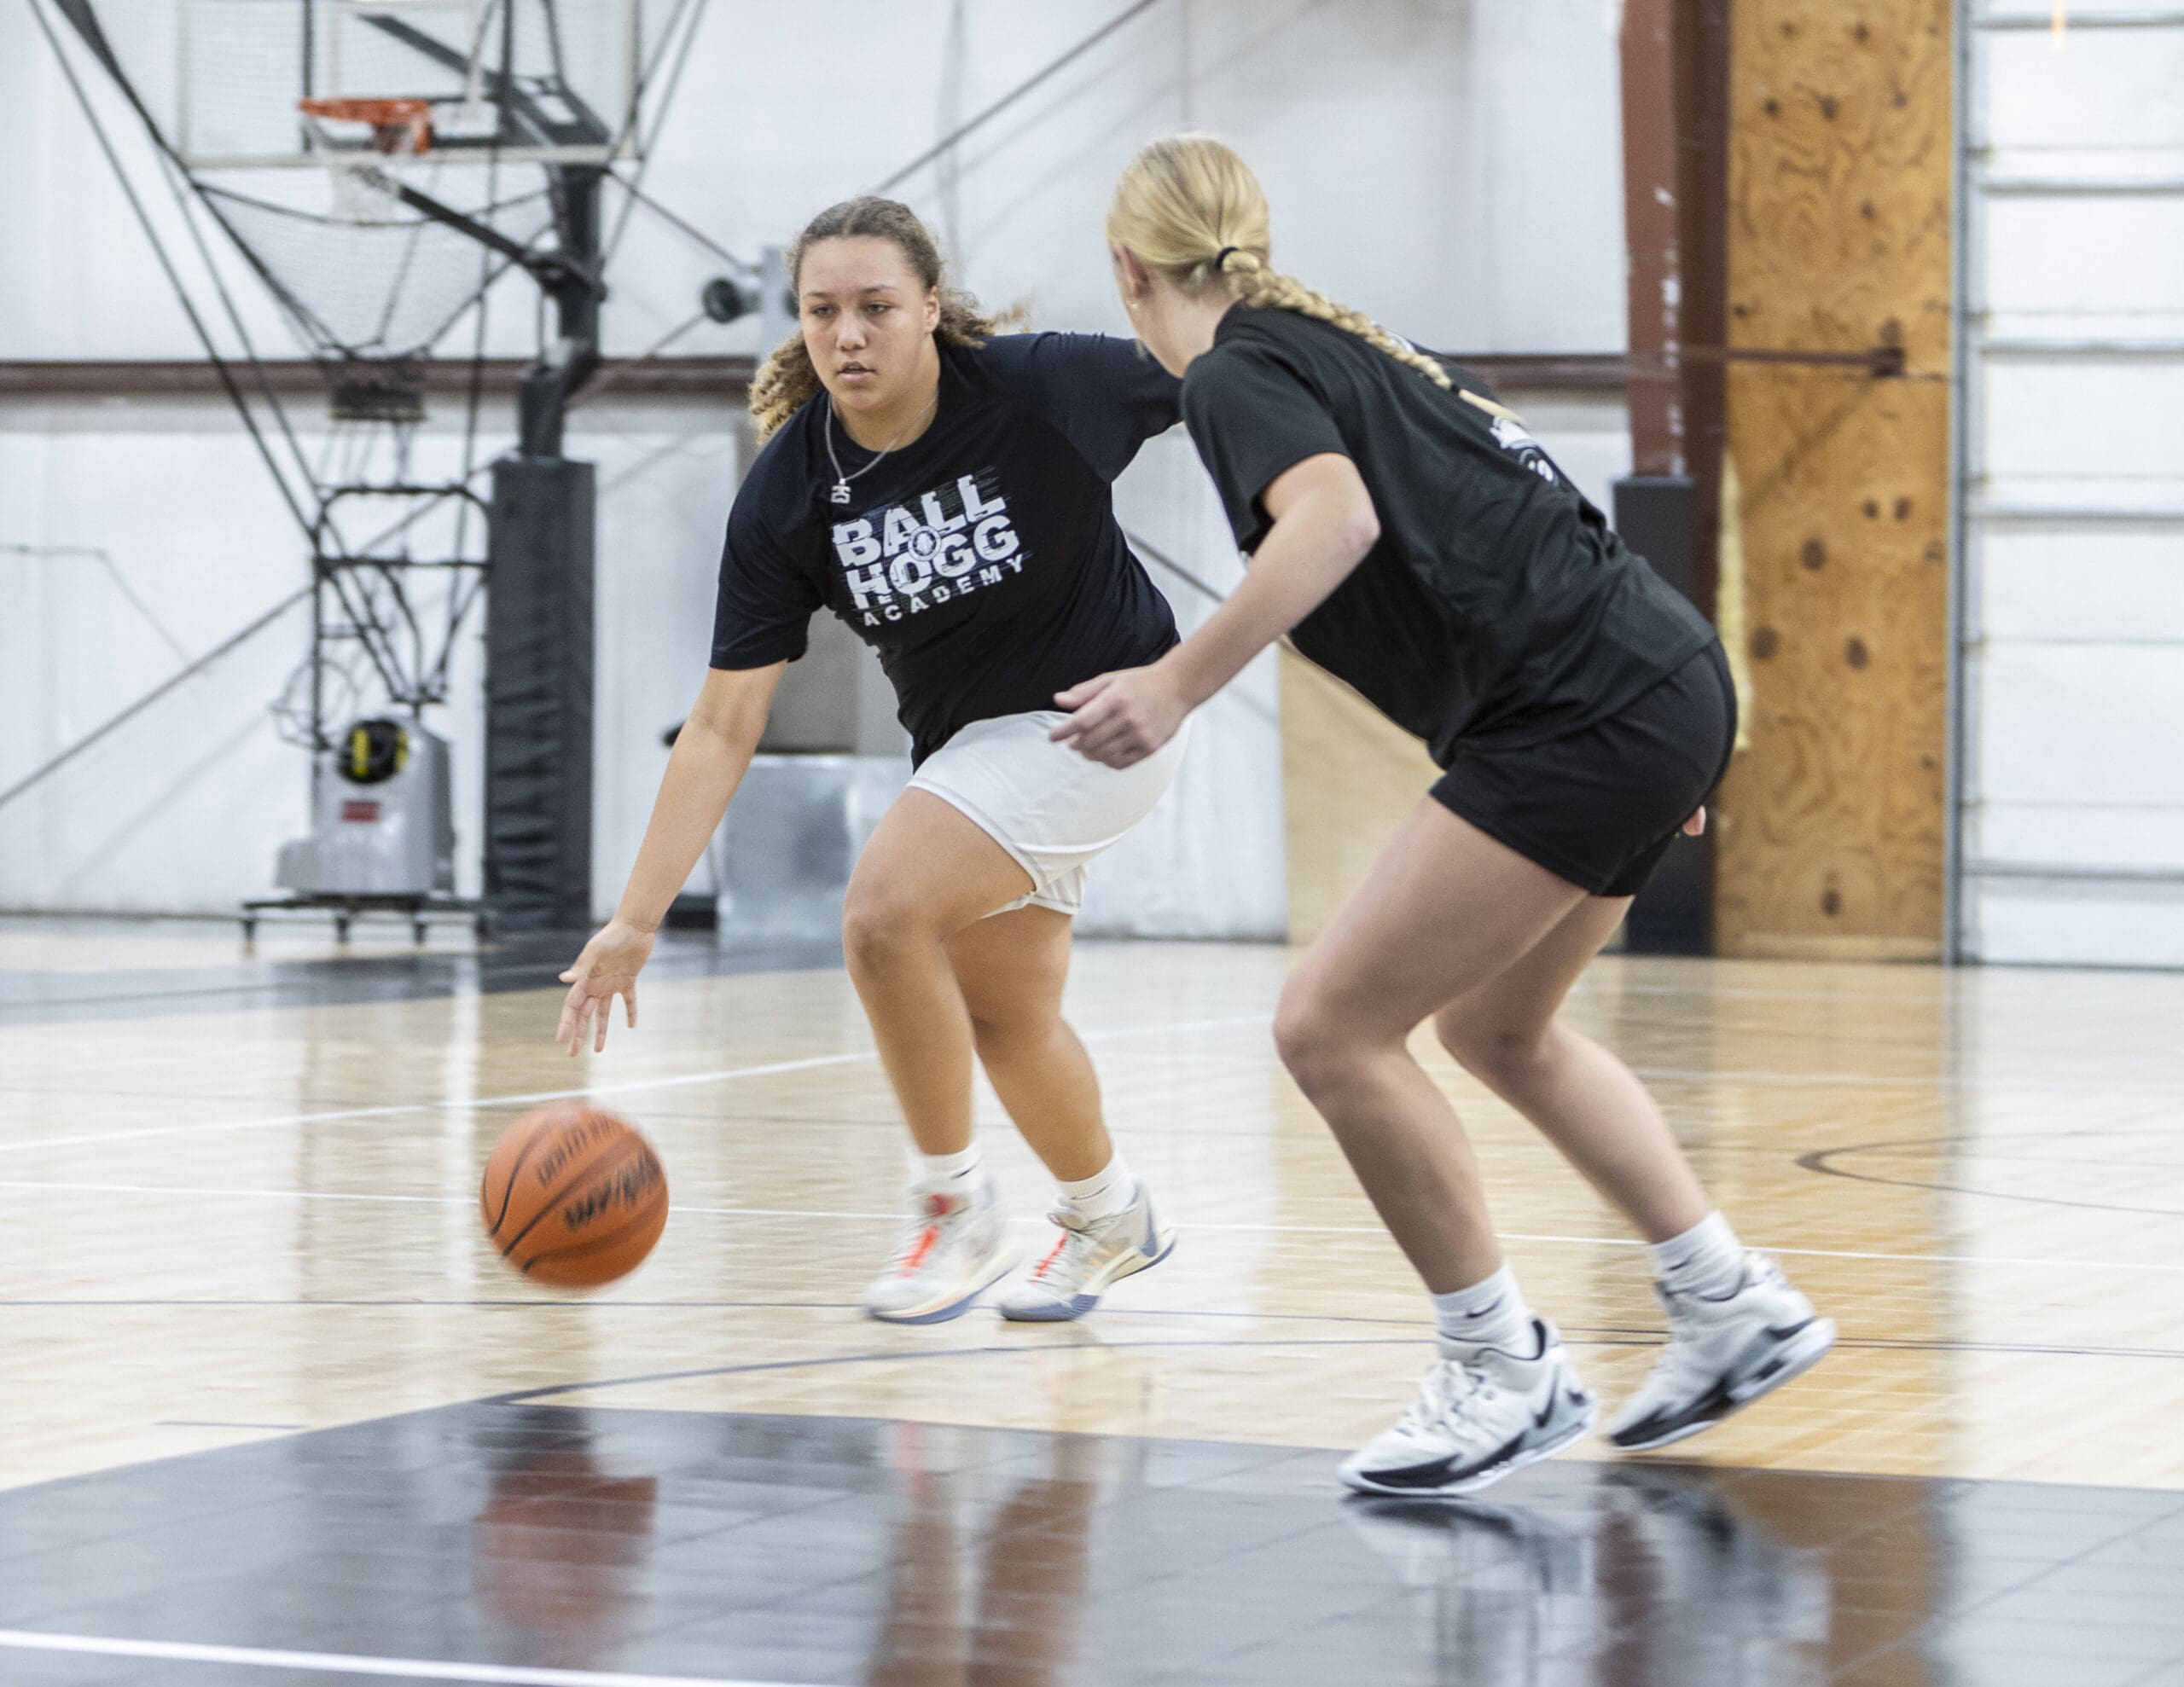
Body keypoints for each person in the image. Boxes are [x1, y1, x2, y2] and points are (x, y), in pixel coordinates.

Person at [1061, 135, 1835, 1496]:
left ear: (1128, 271)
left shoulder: (1242, 370)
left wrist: (1177, 684)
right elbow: (1544, 510)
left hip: (1586, 711)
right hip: (1651, 678)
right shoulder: (1349, 345)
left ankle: (1498, 1365)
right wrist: (1666, 734)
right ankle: (1727, 1299)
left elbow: (1334, 524)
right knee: (1496, 1028)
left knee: (1328, 1028)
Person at [556, 196, 1188, 1326]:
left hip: (1113, 713)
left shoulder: (1038, 387)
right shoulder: (790, 494)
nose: (848, 334)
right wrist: (635, 919)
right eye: (822, 311)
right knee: (1011, 1018)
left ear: (932, 310)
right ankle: (1110, 1210)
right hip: (978, 756)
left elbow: (1222, 371)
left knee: (882, 912)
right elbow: (721, 725)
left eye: (877, 308)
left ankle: (953, 1206)